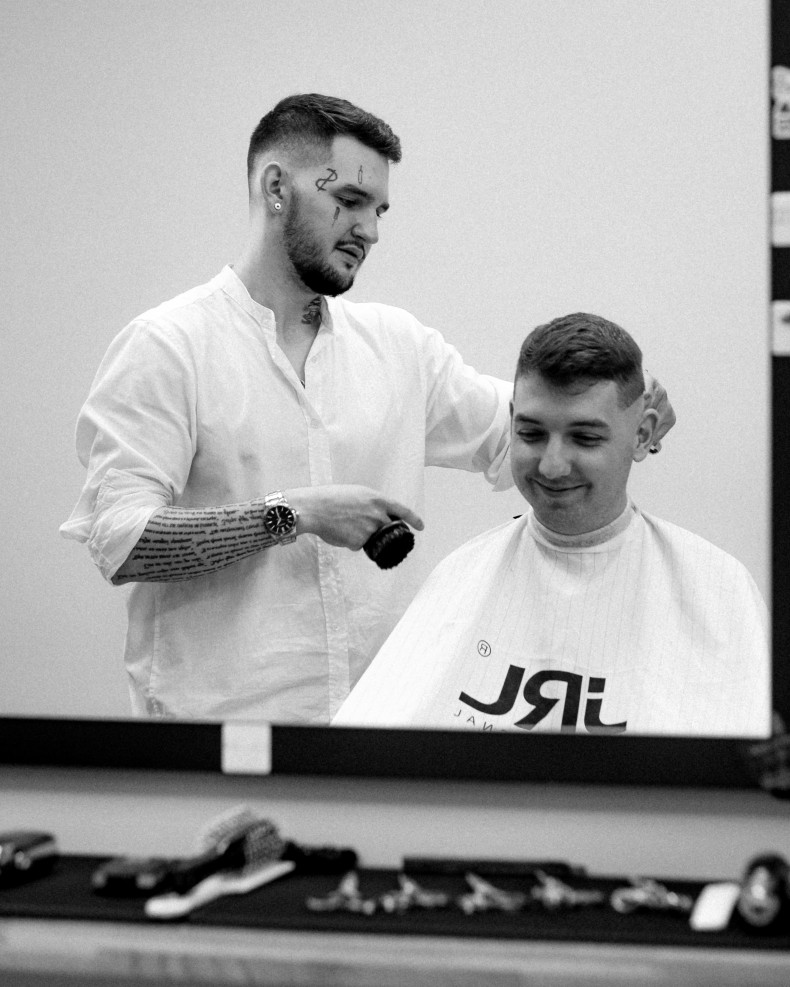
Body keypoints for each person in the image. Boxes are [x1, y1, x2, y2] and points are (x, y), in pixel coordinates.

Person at [60, 95, 673, 724]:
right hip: (218, 739)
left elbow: (530, 435)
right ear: (277, 187)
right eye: (350, 201)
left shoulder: (399, 348)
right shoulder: (167, 348)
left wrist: (636, 416)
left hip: (379, 738)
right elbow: (123, 542)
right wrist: (295, 514)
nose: (370, 231)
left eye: (378, 210)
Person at [333, 313, 769, 737]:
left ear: (641, 435)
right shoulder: (459, 577)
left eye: (585, 438)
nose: (552, 466)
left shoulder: (717, 591)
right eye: (531, 434)